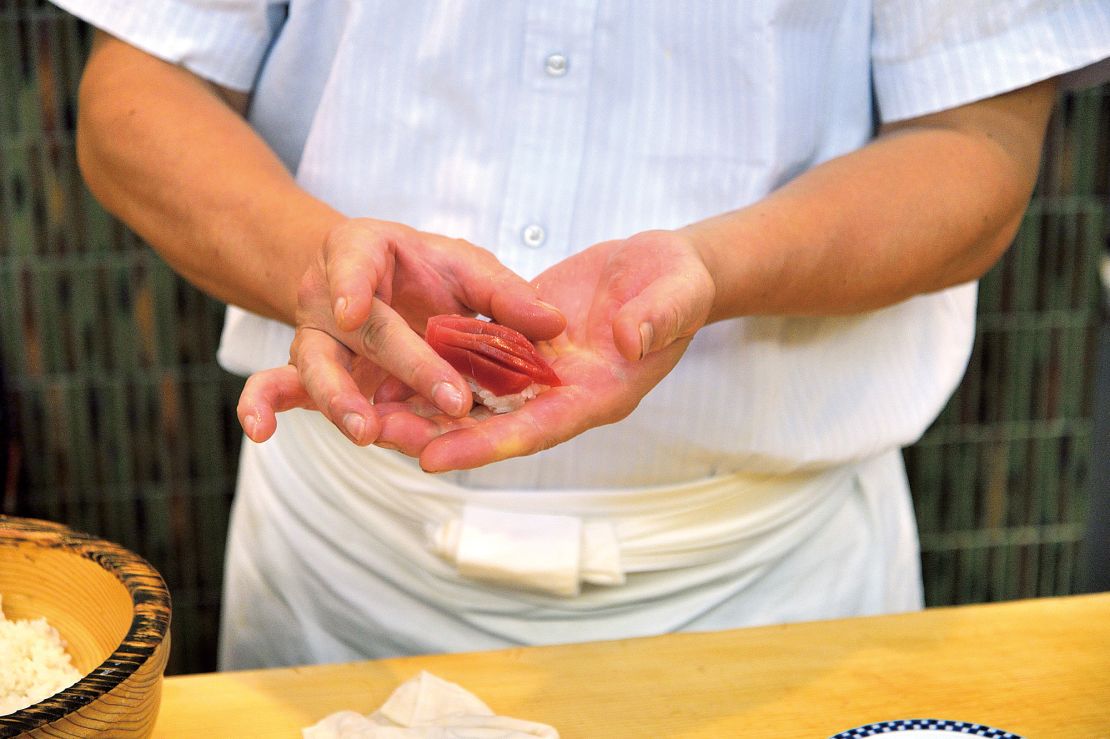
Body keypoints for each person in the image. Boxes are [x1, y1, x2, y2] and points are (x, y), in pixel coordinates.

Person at [58, 0, 1110, 669]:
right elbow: (142, 89)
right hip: (334, 579)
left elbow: (975, 143)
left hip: (770, 597)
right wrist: (323, 262)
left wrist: (714, 269)